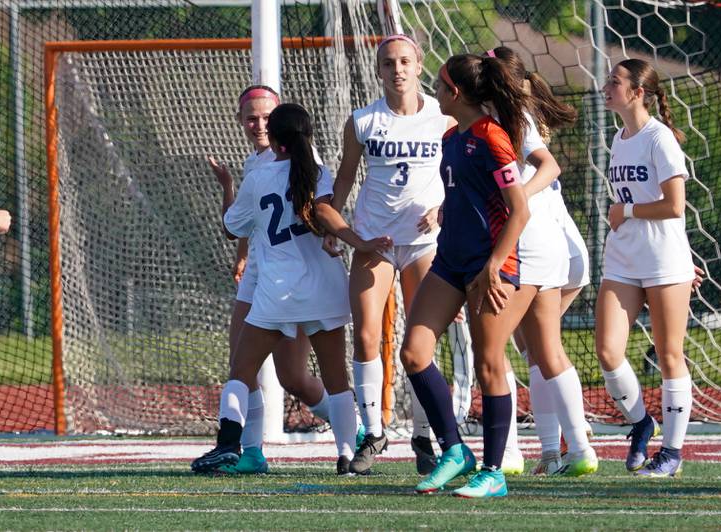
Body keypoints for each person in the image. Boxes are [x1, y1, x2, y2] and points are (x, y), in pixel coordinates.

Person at [191, 103, 392, 475]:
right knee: (336, 379)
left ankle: (228, 445)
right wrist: (355, 239)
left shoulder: (259, 178)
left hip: (278, 293)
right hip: (325, 288)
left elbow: (231, 228)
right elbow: (326, 212)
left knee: (241, 368)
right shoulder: (318, 172)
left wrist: (227, 189)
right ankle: (348, 457)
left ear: (277, 142)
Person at [400, 53, 535, 499]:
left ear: (454, 93)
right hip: (448, 262)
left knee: (488, 363)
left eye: (437, 85)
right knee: (414, 353)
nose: (433, 92)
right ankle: (455, 450)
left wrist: (494, 266)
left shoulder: (493, 138)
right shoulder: (450, 137)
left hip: (488, 267)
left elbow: (520, 210)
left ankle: (494, 471)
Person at [325, 34, 455, 475]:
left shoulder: (443, 117)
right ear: (378, 70)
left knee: (420, 343)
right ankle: (373, 430)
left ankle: (423, 434)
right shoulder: (362, 120)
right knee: (364, 337)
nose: (396, 69)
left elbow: (461, 173)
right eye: (387, 63)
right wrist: (334, 224)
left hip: (422, 241)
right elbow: (344, 178)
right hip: (373, 240)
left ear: (419, 66)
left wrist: (444, 208)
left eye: (403, 61)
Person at [481, 47, 597, 478]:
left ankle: (511, 449)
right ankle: (560, 451)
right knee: (538, 351)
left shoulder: (509, 119)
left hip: (537, 247)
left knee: (496, 346)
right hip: (550, 247)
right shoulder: (502, 117)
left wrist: (516, 199)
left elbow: (549, 168)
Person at [206, 86, 335, 475]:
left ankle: (357, 429)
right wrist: (242, 254)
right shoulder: (254, 162)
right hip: (260, 275)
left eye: (266, 117)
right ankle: (250, 452)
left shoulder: (301, 156)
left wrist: (336, 237)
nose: (259, 124)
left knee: (293, 377)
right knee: (240, 367)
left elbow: (316, 209)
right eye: (250, 117)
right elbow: (252, 217)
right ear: (239, 120)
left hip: (291, 278)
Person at [596, 58, 694, 478]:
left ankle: (671, 454)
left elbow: (674, 205)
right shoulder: (619, 138)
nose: (607, 86)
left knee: (669, 354)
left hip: (662, 260)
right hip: (623, 257)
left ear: (637, 92)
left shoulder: (660, 139)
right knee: (607, 350)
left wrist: (629, 209)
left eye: (615, 82)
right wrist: (627, 214)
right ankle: (640, 423)